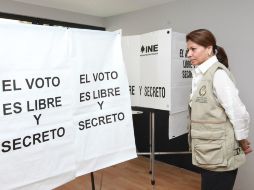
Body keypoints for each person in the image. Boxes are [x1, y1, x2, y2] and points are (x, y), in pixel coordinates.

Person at [186, 29, 252, 190]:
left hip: (219, 155)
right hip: (208, 153)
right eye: (188, 49)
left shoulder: (218, 75)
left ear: (209, 49)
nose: (188, 54)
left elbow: (237, 112)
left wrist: (242, 140)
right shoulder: (200, 75)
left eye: (193, 49)